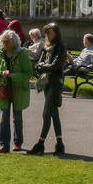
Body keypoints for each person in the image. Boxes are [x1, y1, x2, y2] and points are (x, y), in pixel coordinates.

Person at [27, 23, 69, 156]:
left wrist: (42, 67)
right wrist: (43, 66)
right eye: (46, 33)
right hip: (46, 82)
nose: (48, 35)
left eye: (50, 32)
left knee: (46, 113)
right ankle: (60, 143)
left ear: (56, 33)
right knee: (53, 114)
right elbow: (40, 62)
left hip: (55, 83)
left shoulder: (60, 47)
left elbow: (55, 65)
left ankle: (40, 143)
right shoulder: (46, 46)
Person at [0, 29, 33, 152]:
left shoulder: (22, 54)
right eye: (4, 42)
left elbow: (29, 73)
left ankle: (17, 142)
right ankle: (4, 144)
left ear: (14, 42)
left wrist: (12, 76)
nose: (5, 45)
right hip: (3, 89)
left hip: (19, 90)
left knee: (17, 118)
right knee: (4, 117)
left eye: (8, 42)